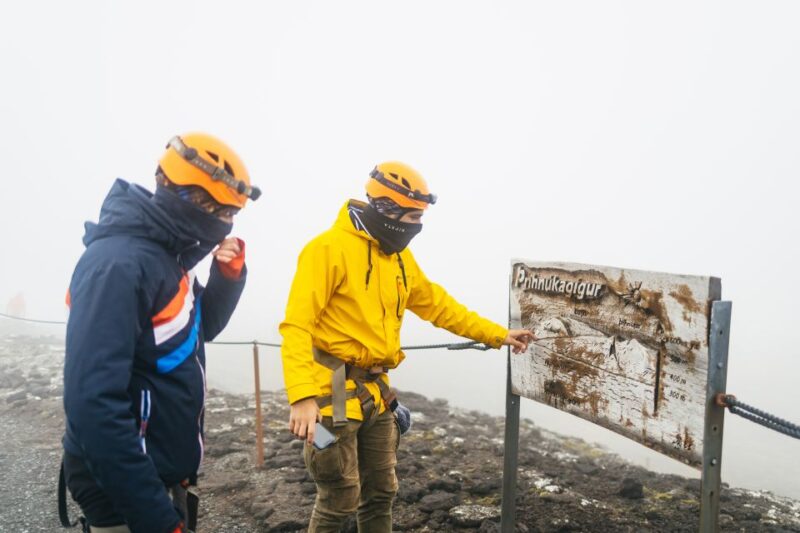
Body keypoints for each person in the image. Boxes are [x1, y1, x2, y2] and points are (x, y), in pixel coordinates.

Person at [280, 161, 534, 532]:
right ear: (386, 209)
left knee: (382, 492)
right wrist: (301, 397)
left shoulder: (399, 258)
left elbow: (439, 305)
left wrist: (497, 334)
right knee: (339, 497)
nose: (417, 226)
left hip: (378, 398)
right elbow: (296, 325)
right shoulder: (326, 249)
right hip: (328, 399)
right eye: (413, 216)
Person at [60, 133, 261, 533]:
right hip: (119, 485)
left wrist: (227, 276)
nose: (224, 223)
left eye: (230, 213)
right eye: (216, 209)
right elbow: (92, 405)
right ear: (184, 197)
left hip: (158, 469)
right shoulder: (117, 266)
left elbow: (197, 332)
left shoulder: (168, 257)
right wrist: (155, 517)